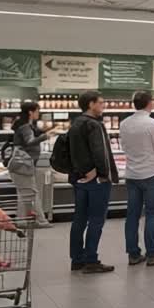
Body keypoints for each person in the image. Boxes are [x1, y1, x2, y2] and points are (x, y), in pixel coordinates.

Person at [119, 90, 154, 267]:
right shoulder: (152, 124)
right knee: (152, 214)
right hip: (151, 174)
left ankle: (133, 254)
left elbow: (124, 147)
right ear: (150, 103)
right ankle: (153, 254)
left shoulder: (125, 123)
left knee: (132, 215)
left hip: (132, 174)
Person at [66, 91, 118, 274]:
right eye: (101, 103)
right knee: (96, 220)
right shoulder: (94, 125)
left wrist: (80, 171)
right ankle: (91, 260)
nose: (103, 106)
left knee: (79, 219)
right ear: (91, 104)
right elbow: (100, 153)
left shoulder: (75, 123)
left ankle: (76, 259)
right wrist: (103, 174)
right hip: (96, 181)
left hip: (79, 179)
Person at [9, 101, 52, 228]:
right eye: (37, 111)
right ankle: (40, 220)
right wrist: (46, 136)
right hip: (24, 164)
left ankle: (22, 220)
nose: (38, 113)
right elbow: (30, 141)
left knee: (24, 193)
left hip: (23, 164)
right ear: (30, 112)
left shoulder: (25, 125)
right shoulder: (25, 127)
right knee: (31, 193)